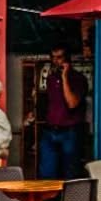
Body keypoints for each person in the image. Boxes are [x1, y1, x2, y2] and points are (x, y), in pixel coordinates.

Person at [39, 43, 87, 181]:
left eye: (59, 57)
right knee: (47, 174)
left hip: (69, 132)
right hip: (50, 131)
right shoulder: (51, 78)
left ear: (67, 59)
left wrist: (65, 77)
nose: (56, 61)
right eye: (53, 58)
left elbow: (72, 103)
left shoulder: (78, 79)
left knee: (70, 174)